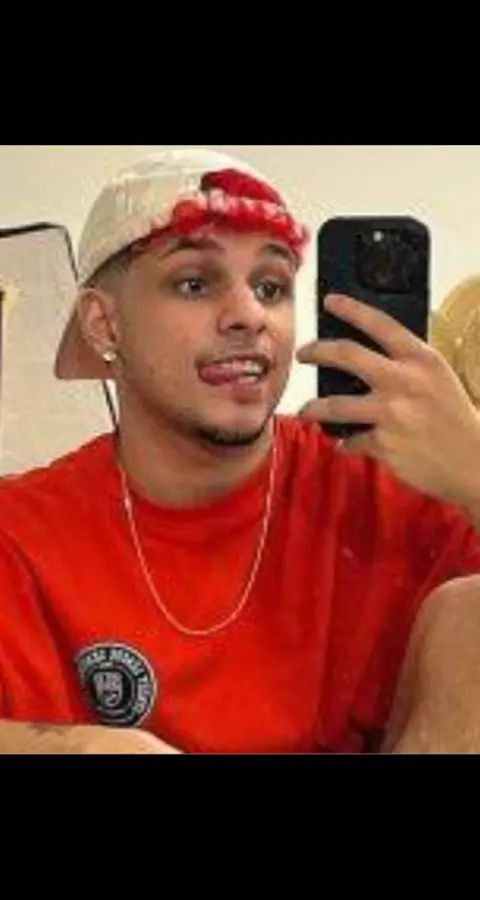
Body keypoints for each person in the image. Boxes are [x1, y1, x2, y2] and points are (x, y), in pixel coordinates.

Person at [1, 148, 480, 755]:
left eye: (271, 287)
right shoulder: (22, 533)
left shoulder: (388, 482)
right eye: (195, 283)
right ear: (104, 324)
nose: (249, 315)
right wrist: (73, 748)